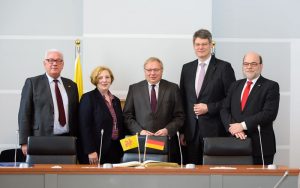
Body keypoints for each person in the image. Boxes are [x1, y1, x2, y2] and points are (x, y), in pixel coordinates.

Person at [179, 29, 236, 164]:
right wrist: (182, 131)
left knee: (212, 172)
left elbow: (231, 99)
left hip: (215, 131)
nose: (201, 47)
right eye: (198, 44)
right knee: (192, 173)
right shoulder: (186, 68)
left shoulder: (224, 67)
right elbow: (183, 100)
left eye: (204, 44)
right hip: (191, 132)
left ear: (211, 45)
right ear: (194, 46)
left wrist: (209, 108)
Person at [220, 52, 280, 165]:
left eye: (253, 64)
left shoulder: (271, 86)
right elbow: (224, 109)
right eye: (246, 64)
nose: (249, 67)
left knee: (260, 182)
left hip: (260, 146)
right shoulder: (235, 85)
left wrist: (241, 126)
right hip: (235, 144)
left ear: (261, 66)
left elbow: (269, 113)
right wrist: (233, 128)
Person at [18, 49, 79, 155]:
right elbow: (24, 113)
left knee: (66, 170)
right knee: (42, 170)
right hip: (41, 138)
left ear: (62, 64)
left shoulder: (72, 85)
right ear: (44, 63)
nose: (54, 63)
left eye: (58, 60)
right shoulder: (32, 83)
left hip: (67, 139)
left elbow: (76, 113)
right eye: (50, 60)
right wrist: (24, 142)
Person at [123, 57, 185, 162]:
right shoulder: (134, 88)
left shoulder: (173, 88)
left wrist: (167, 130)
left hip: (166, 143)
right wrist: (140, 131)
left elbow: (180, 116)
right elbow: (127, 116)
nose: (152, 73)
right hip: (141, 143)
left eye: (156, 70)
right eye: (149, 70)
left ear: (162, 71)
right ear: (144, 71)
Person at [78, 66, 124, 164]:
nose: (104, 80)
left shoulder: (116, 100)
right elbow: (84, 127)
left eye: (107, 77)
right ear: (95, 80)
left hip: (115, 149)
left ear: (111, 79)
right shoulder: (88, 98)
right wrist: (90, 151)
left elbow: (120, 124)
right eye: (100, 78)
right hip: (96, 151)